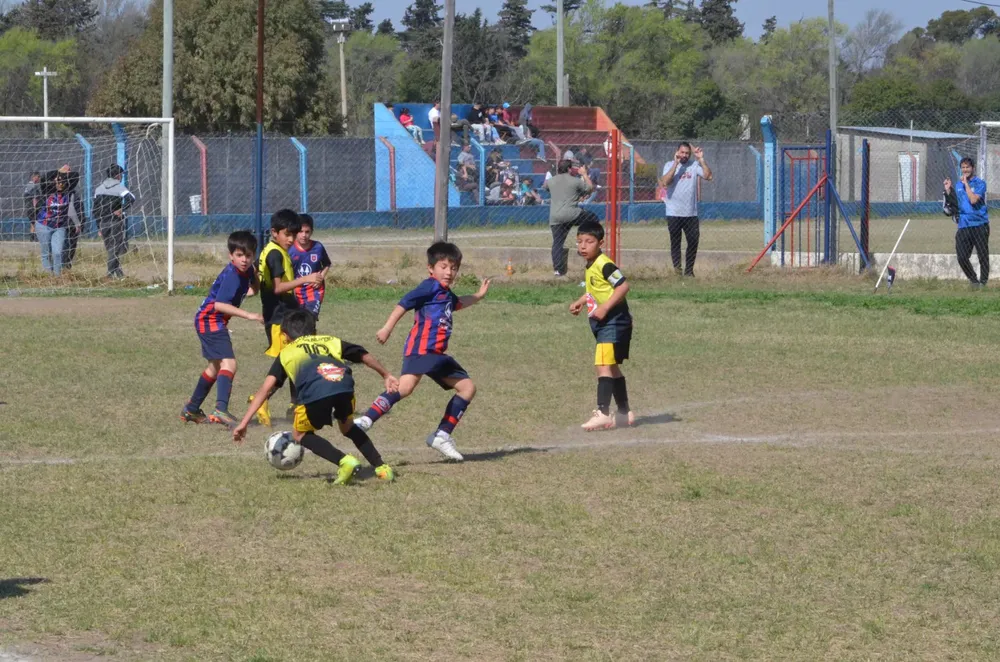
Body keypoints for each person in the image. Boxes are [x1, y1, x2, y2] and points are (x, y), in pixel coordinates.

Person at [354, 242, 491, 462]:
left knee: (467, 388)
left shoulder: (445, 292)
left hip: (437, 354)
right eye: (443, 266)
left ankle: (441, 435)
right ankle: (366, 420)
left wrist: (478, 295)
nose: (449, 272)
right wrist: (387, 327)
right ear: (431, 268)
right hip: (421, 349)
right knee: (405, 388)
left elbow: (458, 303)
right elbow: (404, 303)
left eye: (453, 268)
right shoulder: (429, 287)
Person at [234, 309, 398, 485]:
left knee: (299, 434)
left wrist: (243, 423)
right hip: (344, 385)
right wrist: (386, 374)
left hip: (315, 392)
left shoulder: (286, 353)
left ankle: (345, 462)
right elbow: (362, 354)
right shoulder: (330, 341)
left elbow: (265, 390)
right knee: (348, 427)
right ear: (314, 330)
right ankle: (382, 468)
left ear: (285, 335)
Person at [180, 230, 263, 426]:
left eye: (248, 255)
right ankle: (220, 408)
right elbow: (219, 305)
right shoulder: (232, 275)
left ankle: (191, 409)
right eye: (239, 255)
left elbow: (251, 290)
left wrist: (257, 276)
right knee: (229, 364)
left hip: (209, 320)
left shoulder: (247, 271)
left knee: (215, 367)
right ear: (230, 256)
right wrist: (250, 315)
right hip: (210, 320)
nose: (244, 260)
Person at [255, 210, 324, 426]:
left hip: (287, 315)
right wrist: (306, 278)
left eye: (294, 234)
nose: (292, 239)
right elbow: (278, 288)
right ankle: (261, 401)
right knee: (288, 364)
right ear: (274, 232)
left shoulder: (275, 250)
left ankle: (296, 406)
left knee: (296, 361)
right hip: (278, 319)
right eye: (287, 234)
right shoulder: (275, 254)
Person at [568, 220, 634, 431]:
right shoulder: (591, 265)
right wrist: (581, 301)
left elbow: (623, 286)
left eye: (589, 241)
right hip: (606, 323)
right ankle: (624, 414)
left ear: (601, 243)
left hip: (614, 321)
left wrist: (605, 308)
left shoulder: (605, 264)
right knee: (611, 367)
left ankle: (603, 412)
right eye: (579, 242)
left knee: (602, 365)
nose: (583, 246)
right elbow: (596, 289)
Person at [659, 142, 713, 277]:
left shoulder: (694, 166)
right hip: (673, 212)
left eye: (687, 153)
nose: (684, 155)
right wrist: (676, 165)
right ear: (677, 152)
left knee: (693, 241)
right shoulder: (669, 165)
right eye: (682, 152)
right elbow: (665, 182)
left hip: (690, 213)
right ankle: (677, 271)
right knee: (675, 243)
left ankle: (689, 271)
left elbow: (708, 176)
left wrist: (701, 159)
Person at [543, 159, 596, 277]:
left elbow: (545, 186)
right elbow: (590, 188)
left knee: (557, 242)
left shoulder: (551, 181)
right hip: (572, 214)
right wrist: (584, 174)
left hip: (555, 217)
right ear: (569, 169)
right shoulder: (575, 181)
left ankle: (558, 271)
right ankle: (582, 242)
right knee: (592, 218)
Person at [944, 157, 990, 287]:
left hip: (980, 224)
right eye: (963, 168)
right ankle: (974, 281)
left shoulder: (980, 183)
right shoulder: (958, 185)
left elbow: (973, 200)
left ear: (973, 168)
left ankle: (983, 282)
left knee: (982, 255)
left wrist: (966, 185)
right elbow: (955, 203)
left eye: (967, 167)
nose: (965, 170)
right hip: (964, 225)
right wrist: (948, 190)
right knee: (962, 256)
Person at [34, 167, 80, 277]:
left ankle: (57, 277)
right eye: (58, 181)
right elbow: (45, 178)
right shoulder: (47, 191)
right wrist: (58, 171)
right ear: (54, 181)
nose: (60, 184)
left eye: (62, 181)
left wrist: (77, 223)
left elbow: (76, 176)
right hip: (43, 225)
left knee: (58, 252)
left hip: (59, 226)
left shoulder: (68, 193)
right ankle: (49, 276)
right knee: (46, 252)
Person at [94, 164, 136, 280]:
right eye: (121, 175)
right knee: (115, 249)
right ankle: (110, 273)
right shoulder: (119, 187)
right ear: (118, 176)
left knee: (110, 249)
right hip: (115, 222)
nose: (121, 177)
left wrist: (98, 226)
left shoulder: (99, 189)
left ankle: (119, 273)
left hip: (103, 222)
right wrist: (122, 209)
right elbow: (132, 198)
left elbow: (95, 209)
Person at [288, 213, 332, 319]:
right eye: (300, 231)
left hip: (314, 291)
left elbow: (327, 264)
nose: (304, 235)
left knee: (309, 319)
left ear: (311, 232)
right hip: (296, 291)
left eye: (307, 232)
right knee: (296, 321)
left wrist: (321, 277)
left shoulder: (318, 247)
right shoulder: (290, 250)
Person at [23, 171, 41, 242]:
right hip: (32, 208)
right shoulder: (33, 186)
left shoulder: (28, 185)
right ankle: (35, 238)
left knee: (33, 223)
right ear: (34, 177)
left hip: (28, 208)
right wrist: (35, 208)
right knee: (37, 222)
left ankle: (32, 238)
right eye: (38, 177)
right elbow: (34, 198)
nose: (39, 178)